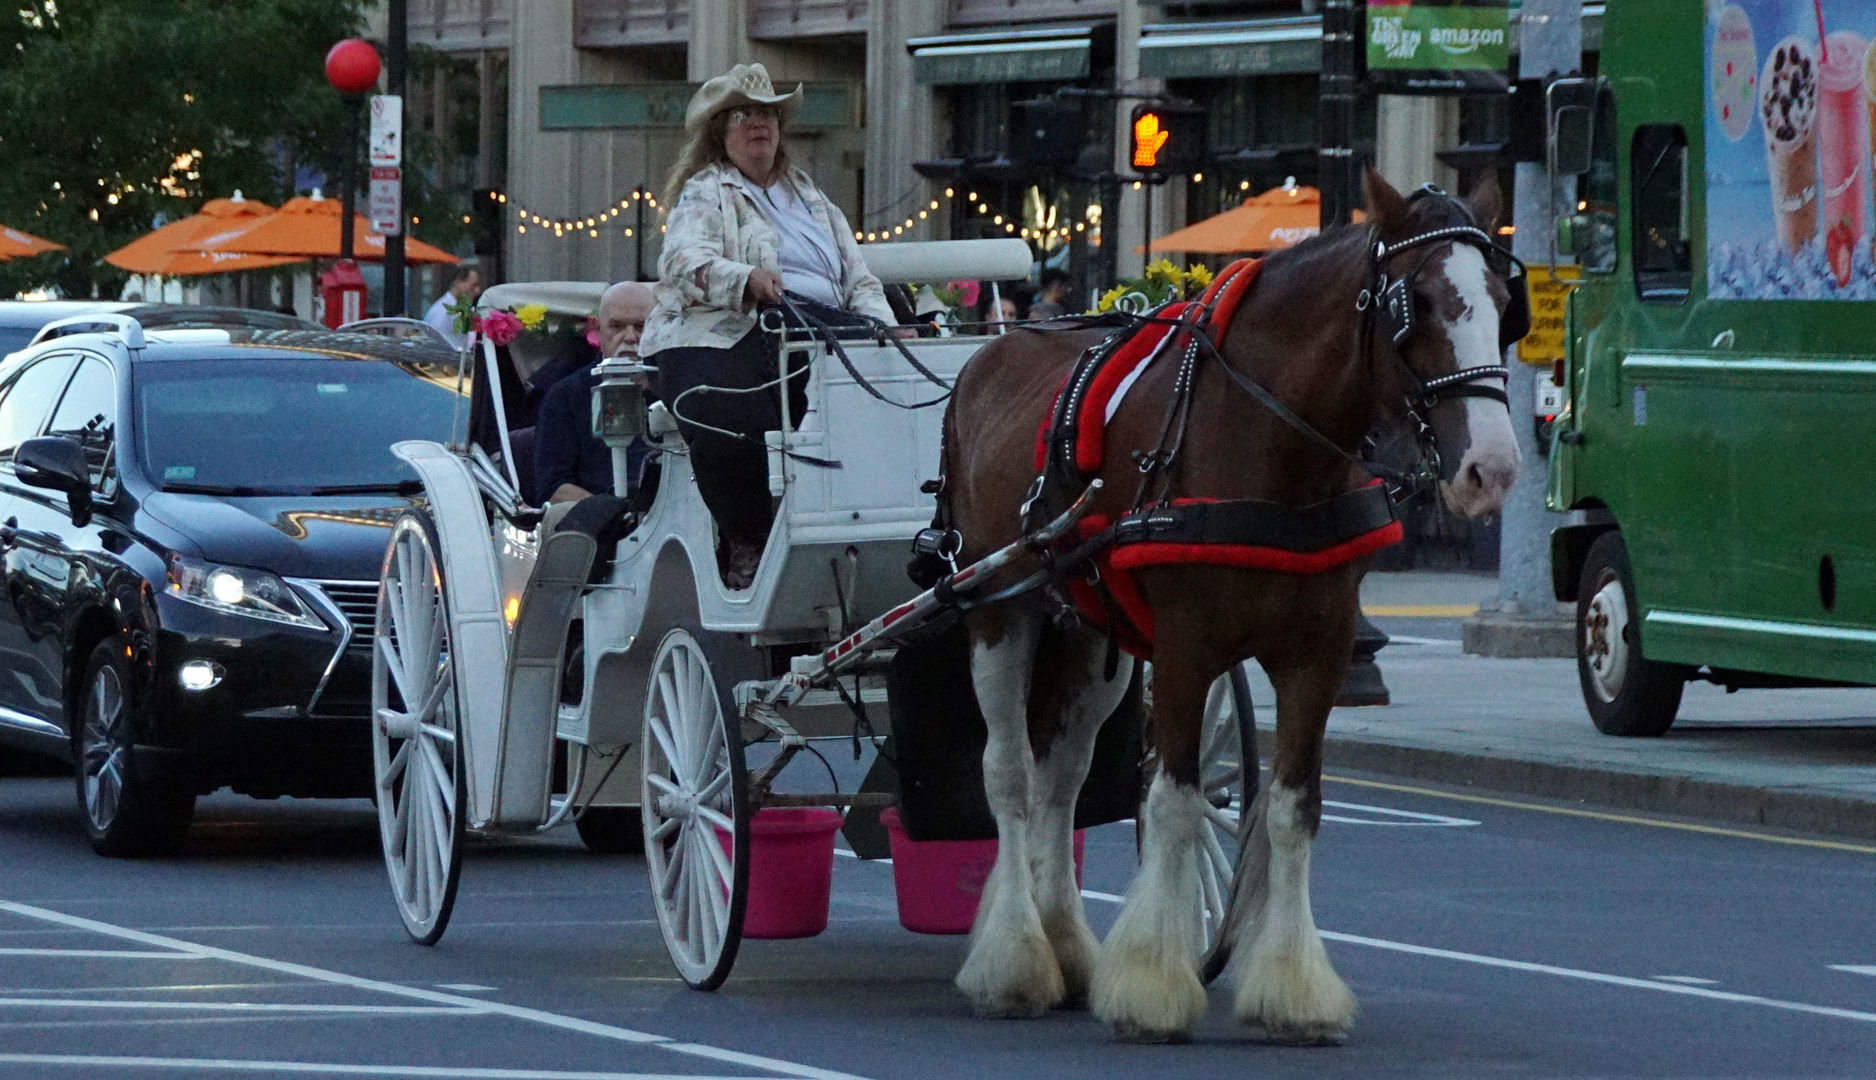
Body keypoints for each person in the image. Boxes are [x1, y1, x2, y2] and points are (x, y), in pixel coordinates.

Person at [640, 62, 901, 590]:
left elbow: (859, 277)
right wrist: (745, 277)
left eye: (767, 113)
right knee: (720, 404)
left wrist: (883, 328)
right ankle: (749, 536)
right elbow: (681, 262)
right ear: (722, 131)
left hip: (823, 327)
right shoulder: (705, 192)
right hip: (726, 328)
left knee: (895, 380)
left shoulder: (813, 200)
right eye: (743, 114)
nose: (758, 123)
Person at [535, 282, 655, 505]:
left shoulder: (678, 394)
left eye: (641, 326)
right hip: (597, 526)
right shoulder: (564, 398)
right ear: (598, 330)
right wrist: (611, 513)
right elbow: (553, 488)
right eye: (617, 326)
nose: (630, 337)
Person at [424, 265, 480, 347]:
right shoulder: (443, 310)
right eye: (473, 285)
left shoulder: (456, 307)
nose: (477, 291)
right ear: (458, 282)